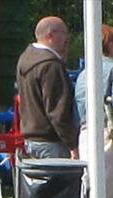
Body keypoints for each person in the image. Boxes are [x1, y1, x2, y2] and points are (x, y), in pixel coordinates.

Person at [74, 24, 113, 198]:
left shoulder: (82, 75)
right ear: (111, 45)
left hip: (85, 134)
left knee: (90, 188)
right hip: (110, 135)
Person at [17, 16, 78, 159]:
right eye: (64, 33)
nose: (67, 38)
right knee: (61, 181)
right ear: (50, 35)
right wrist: (72, 145)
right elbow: (58, 112)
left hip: (31, 140)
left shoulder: (24, 60)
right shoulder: (51, 65)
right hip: (51, 142)